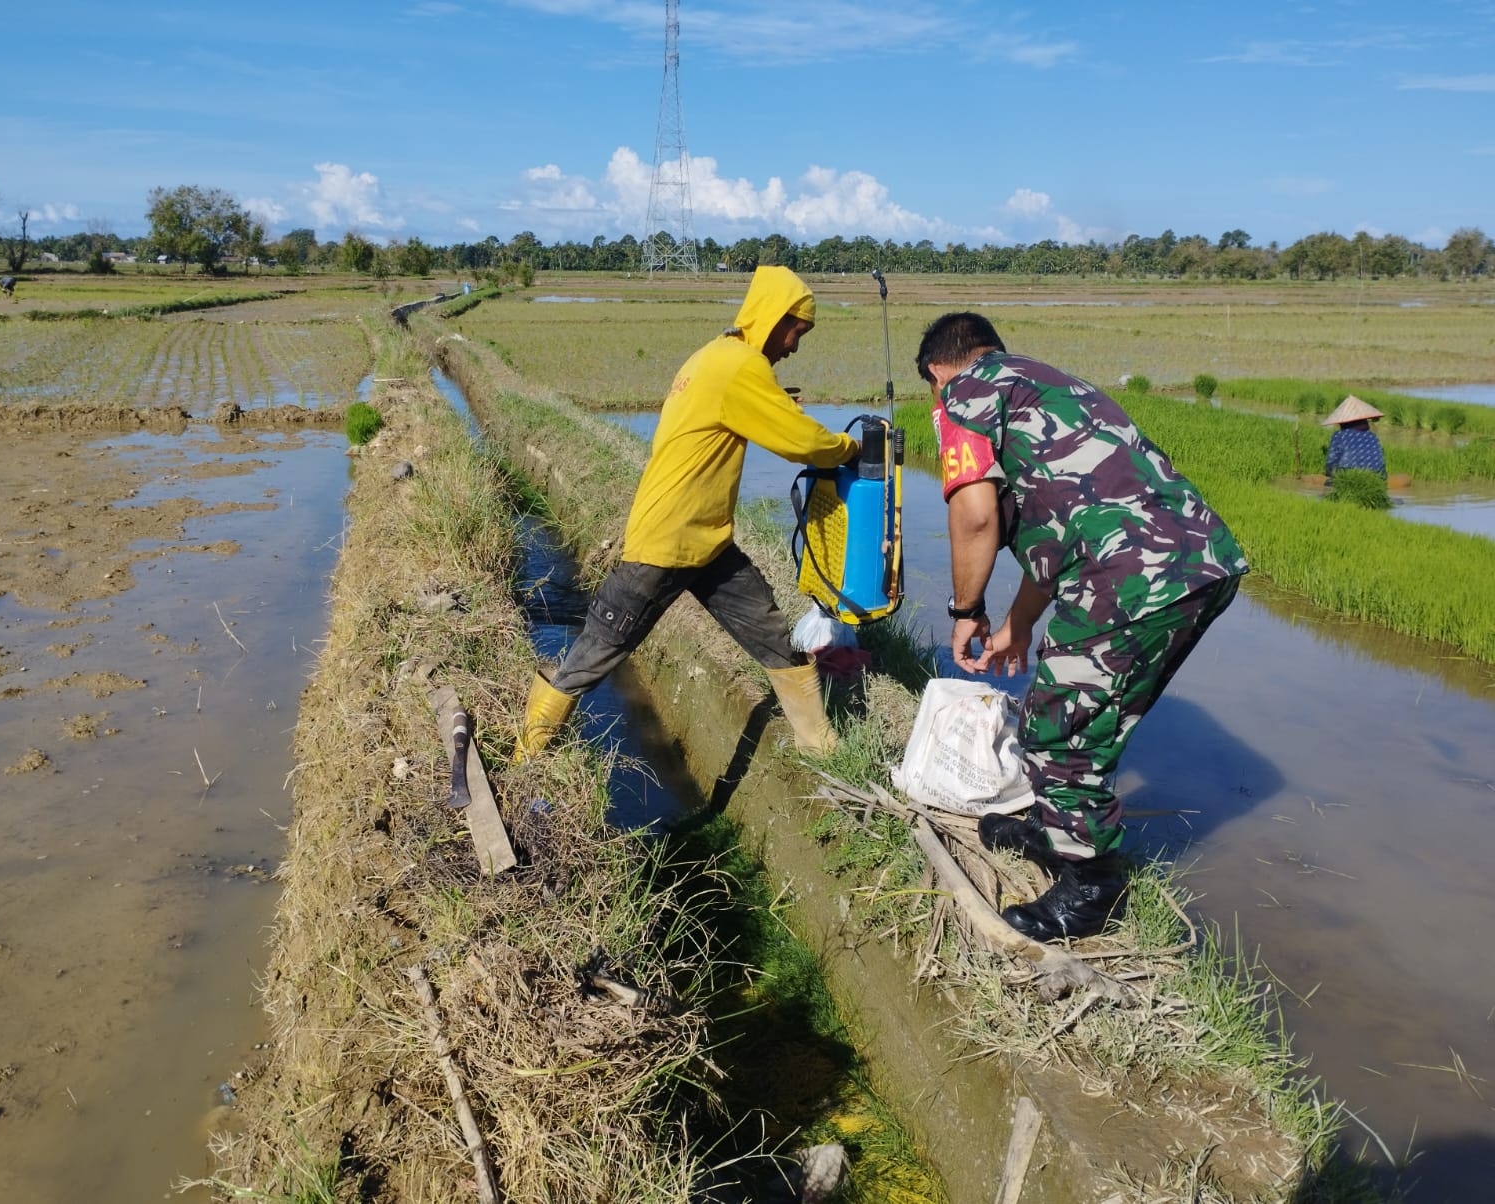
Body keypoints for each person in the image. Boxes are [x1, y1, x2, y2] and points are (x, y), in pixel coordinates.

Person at [917, 312, 1248, 941]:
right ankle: (1057, 829)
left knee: (1058, 730)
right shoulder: (1052, 385)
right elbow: (1066, 528)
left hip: (1130, 579)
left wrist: (966, 612)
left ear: (938, 371)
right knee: (1087, 713)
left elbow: (977, 516)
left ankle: (1091, 888)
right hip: (1201, 565)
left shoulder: (962, 395)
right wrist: (1018, 625)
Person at [518, 266, 859, 759]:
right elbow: (803, 442)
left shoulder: (715, 356)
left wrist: (773, 403)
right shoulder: (741, 365)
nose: (794, 347)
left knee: (769, 631)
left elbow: (727, 409)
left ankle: (821, 747)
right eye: (797, 332)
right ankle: (529, 751)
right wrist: (849, 448)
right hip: (669, 538)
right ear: (775, 318)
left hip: (708, 541)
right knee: (601, 648)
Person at [1322, 394, 1387, 480]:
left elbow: (1332, 460)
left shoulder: (1339, 435)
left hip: (1348, 473)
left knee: (1330, 480)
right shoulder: (1373, 436)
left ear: (1344, 423)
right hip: (1378, 475)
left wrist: (1328, 471)